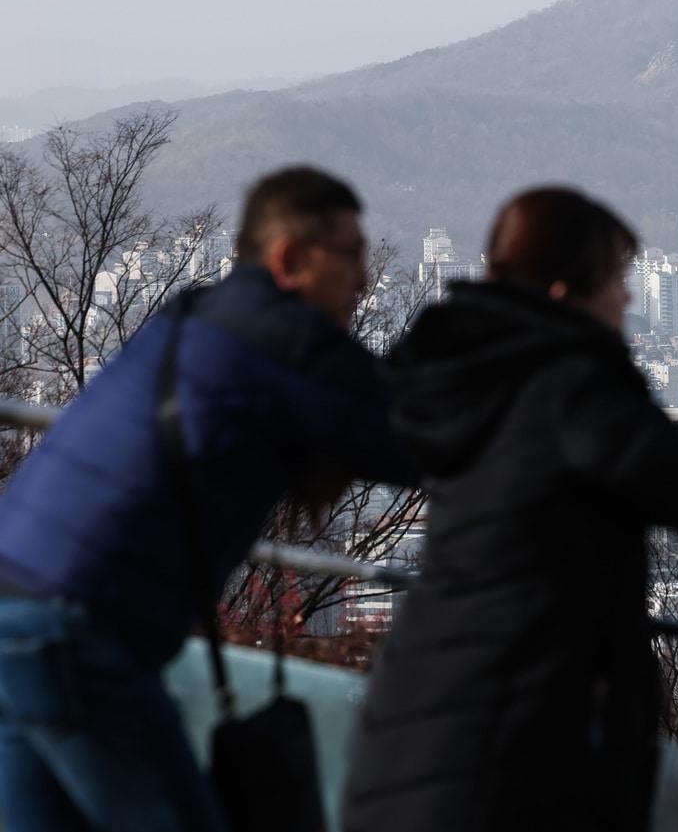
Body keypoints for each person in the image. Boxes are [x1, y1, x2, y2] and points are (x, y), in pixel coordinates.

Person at [0, 166, 415, 831]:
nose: (364, 279)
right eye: (349, 255)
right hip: (78, 629)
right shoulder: (291, 341)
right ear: (287, 258)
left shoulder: (191, 314)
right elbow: (418, 442)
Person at [342, 188, 678, 832]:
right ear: (564, 293)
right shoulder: (568, 381)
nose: (627, 299)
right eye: (615, 281)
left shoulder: (458, 372)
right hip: (523, 734)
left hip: (412, 713)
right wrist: (613, 368)